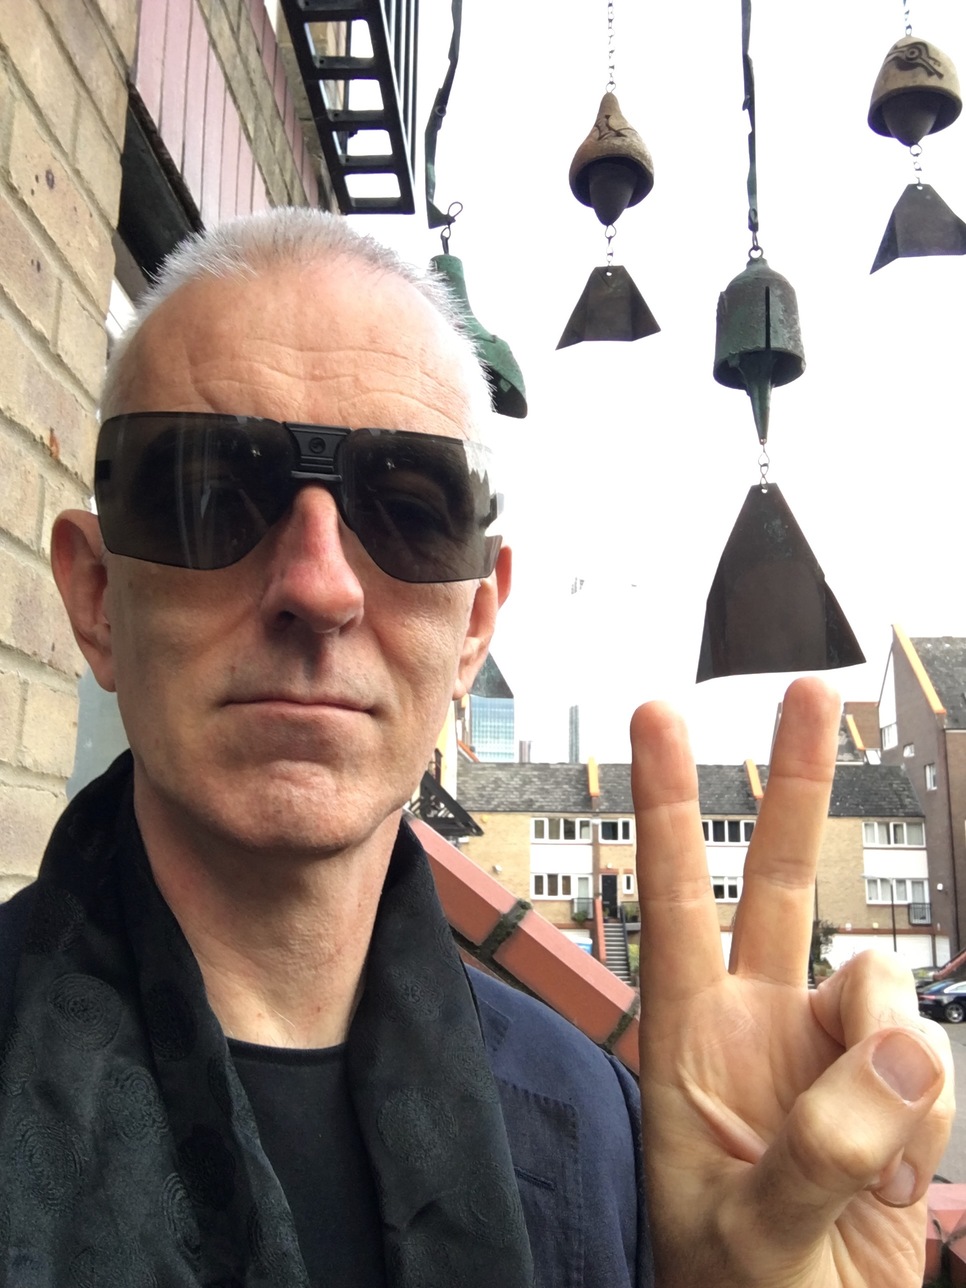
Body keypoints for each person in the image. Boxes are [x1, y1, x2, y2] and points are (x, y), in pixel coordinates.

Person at [0, 208, 951, 1288]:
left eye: (410, 511)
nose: (320, 585)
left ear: (474, 631)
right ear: (95, 595)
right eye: (210, 496)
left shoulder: (607, 1140)